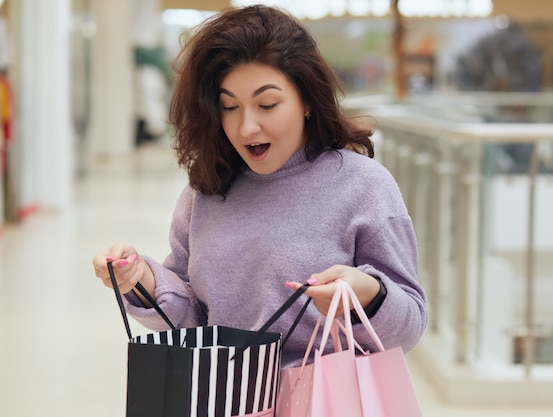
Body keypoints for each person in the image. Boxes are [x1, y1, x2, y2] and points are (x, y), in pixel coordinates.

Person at [92, 4, 427, 368]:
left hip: (324, 401)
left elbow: (409, 325)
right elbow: (193, 324)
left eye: (267, 104)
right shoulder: (205, 191)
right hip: (228, 397)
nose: (246, 127)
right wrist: (142, 279)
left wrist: (369, 297)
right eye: (229, 107)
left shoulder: (363, 185)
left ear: (307, 101)